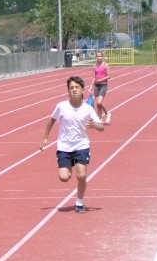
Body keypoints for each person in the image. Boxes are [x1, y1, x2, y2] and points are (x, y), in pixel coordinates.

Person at [39, 76, 104, 213]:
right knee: (64, 177)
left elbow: (101, 127)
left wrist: (95, 125)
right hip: (64, 146)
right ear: (68, 91)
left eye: (76, 87)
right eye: (71, 88)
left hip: (81, 145)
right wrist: (45, 138)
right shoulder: (61, 106)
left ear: (82, 90)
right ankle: (70, 166)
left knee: (81, 175)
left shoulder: (87, 108)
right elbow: (51, 120)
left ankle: (79, 202)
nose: (74, 90)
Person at [88, 50, 111, 124]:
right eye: (97, 56)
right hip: (96, 86)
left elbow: (109, 76)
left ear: (102, 57)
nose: (99, 58)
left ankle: (107, 113)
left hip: (103, 85)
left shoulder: (105, 65)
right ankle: (100, 118)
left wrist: (101, 79)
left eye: (100, 56)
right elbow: (94, 77)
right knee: (97, 104)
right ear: (95, 57)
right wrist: (91, 86)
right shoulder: (94, 66)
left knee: (99, 102)